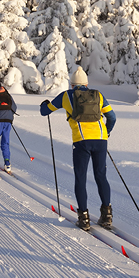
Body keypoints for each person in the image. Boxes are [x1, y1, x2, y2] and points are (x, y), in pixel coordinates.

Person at [40, 66, 116, 231]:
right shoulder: (98, 95)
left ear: (72, 84)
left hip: (81, 141)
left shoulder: (66, 96)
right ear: (86, 84)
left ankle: (84, 218)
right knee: (101, 176)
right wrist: (106, 133)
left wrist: (44, 105)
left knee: (80, 177)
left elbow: (45, 112)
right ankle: (107, 215)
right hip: (100, 139)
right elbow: (112, 117)